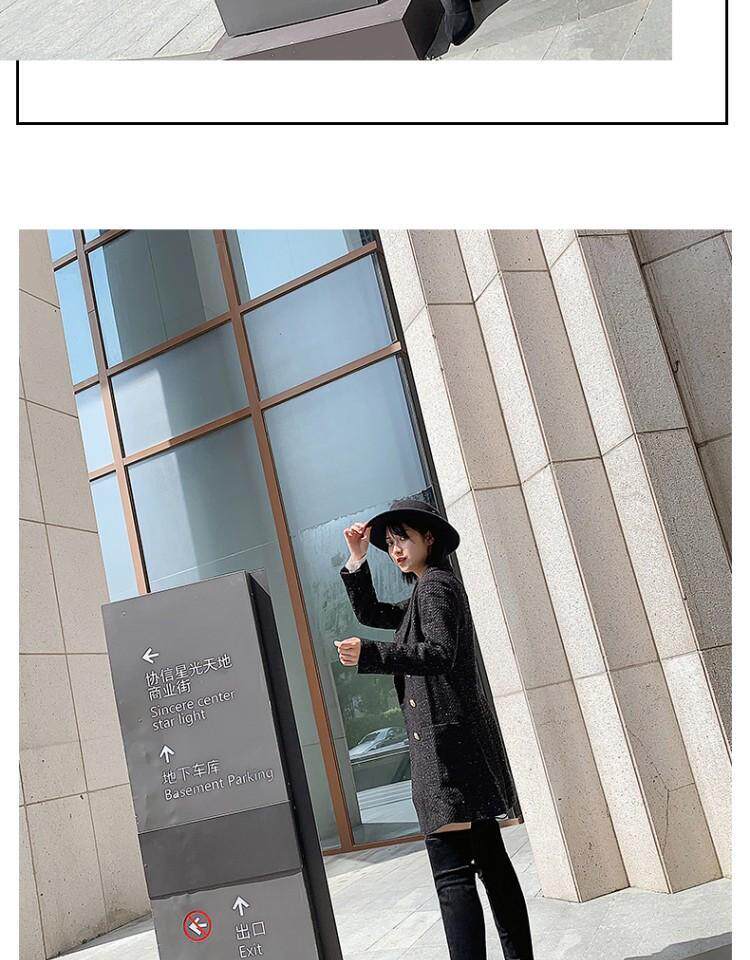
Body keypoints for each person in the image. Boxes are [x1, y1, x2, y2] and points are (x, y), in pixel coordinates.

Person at [335, 497, 535, 960]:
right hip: (456, 742)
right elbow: (372, 613)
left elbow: (440, 653)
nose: (396, 550)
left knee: (452, 874)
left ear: (429, 537)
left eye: (402, 539)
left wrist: (371, 654)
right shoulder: (428, 590)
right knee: (491, 865)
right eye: (390, 543)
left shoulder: (436, 587)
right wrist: (358, 558)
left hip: (448, 750)